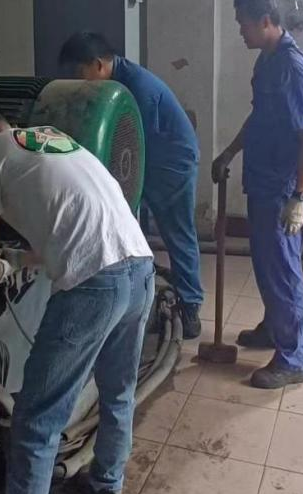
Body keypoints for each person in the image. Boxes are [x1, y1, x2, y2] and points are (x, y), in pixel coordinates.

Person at [0, 111, 154, 494]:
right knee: (118, 390)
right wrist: (20, 259)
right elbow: (66, 229)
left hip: (95, 286)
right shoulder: (54, 141)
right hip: (141, 266)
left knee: (35, 424)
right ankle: (106, 491)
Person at [59, 33, 204, 340]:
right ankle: (139, 301)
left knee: (177, 233)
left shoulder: (137, 88)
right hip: (149, 158)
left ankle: (190, 308)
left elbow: (133, 144)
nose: (78, 80)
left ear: (98, 64)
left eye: (80, 71)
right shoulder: (116, 81)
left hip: (171, 163)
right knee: (135, 231)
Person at [213, 0, 303, 389]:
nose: (240, 31)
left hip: (284, 187)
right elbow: (259, 117)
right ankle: (275, 328)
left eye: (243, 24)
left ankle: (293, 358)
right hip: (263, 179)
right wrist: (229, 152)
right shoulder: (266, 60)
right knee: (266, 263)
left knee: (282, 270)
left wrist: (299, 198)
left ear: (264, 21)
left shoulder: (293, 65)